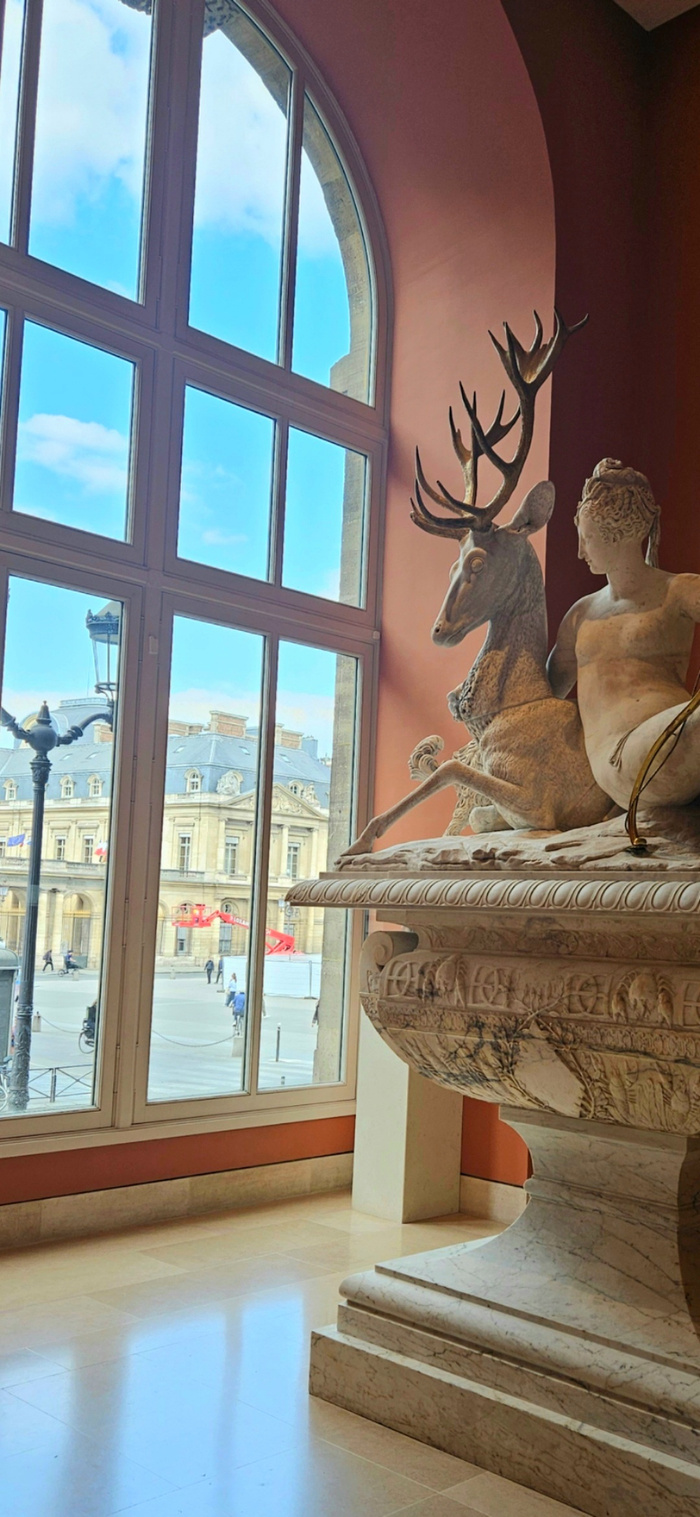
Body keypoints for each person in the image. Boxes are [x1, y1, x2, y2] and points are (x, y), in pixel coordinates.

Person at [548, 459, 700, 811]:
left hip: (679, 737)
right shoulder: (581, 615)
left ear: (617, 536)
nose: (580, 552)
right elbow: (546, 690)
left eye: (587, 539)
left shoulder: (678, 591)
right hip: (623, 760)